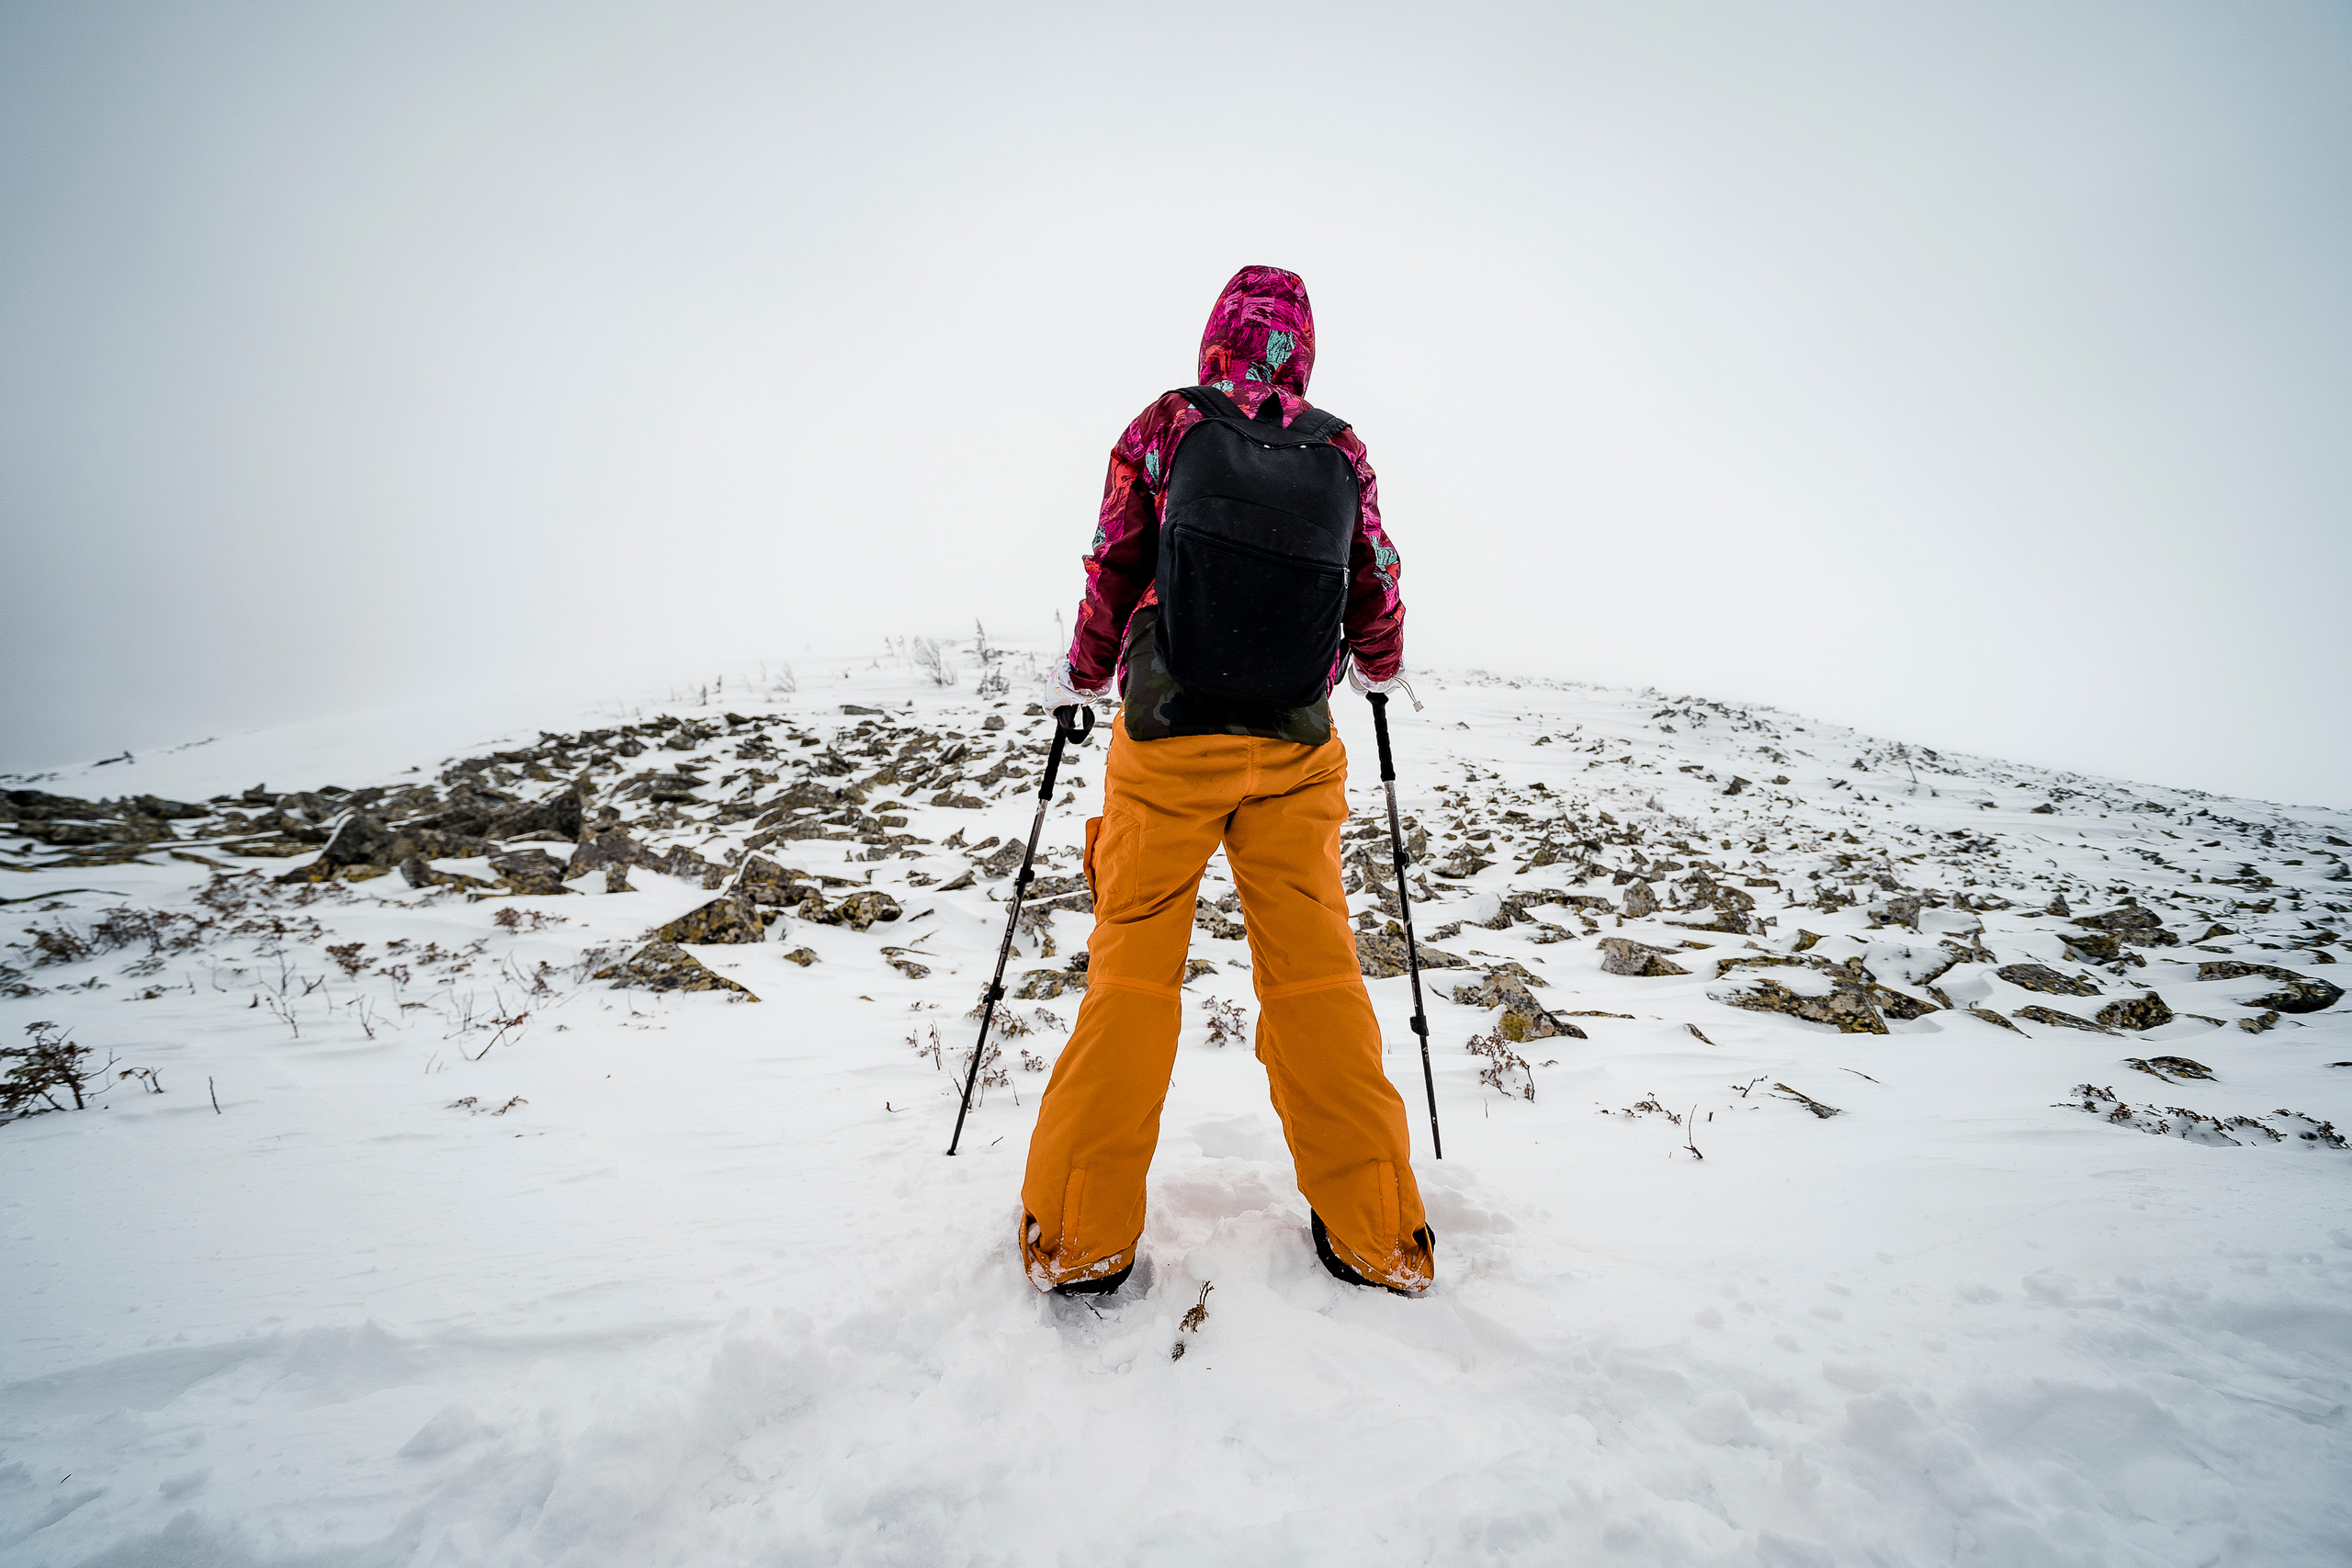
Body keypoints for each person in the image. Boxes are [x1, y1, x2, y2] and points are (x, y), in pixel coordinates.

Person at [1020, 265, 1434, 1297]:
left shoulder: (1168, 424)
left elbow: (1116, 560)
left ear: (1215, 336)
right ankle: (1377, 1233)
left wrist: (1081, 672)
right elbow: (1372, 576)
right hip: (1297, 746)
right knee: (1316, 978)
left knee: (1132, 976)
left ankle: (1082, 1237)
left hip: (1169, 734)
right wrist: (1379, 663)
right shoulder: (1338, 448)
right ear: (1303, 346)